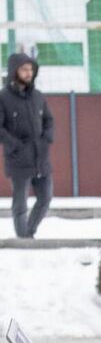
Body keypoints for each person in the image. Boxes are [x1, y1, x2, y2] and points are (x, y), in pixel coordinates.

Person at [2, 53, 54, 239]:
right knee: (20, 203)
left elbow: (48, 120)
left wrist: (47, 139)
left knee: (45, 198)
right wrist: (16, 146)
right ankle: (23, 239)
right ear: (14, 71)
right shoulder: (3, 97)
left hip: (40, 158)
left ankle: (27, 235)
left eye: (31, 69)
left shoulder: (38, 96)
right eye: (24, 69)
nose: (29, 73)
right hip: (18, 159)